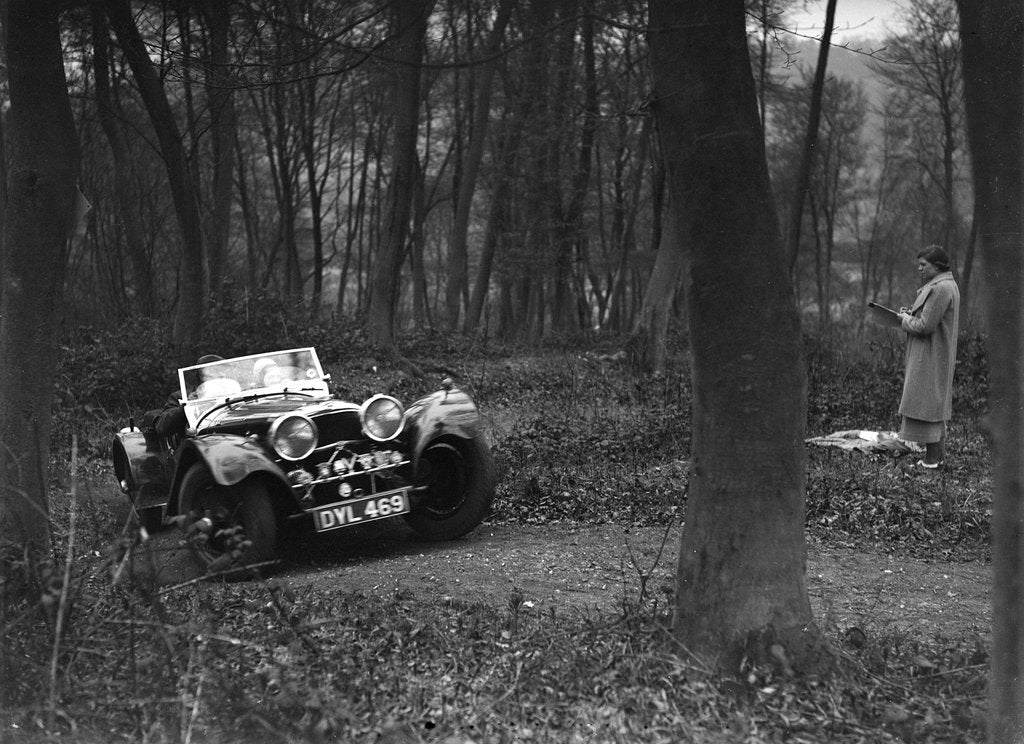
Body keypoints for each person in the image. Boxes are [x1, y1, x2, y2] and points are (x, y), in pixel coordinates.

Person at [896, 246, 960, 469]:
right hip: (935, 354)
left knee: (929, 407)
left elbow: (925, 326)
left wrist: (902, 320)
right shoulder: (945, 285)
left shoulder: (941, 288)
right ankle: (936, 458)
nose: (919, 268)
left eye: (924, 265)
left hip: (931, 355)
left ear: (938, 267)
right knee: (934, 405)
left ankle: (931, 461)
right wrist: (908, 314)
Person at [147, 354, 223, 439]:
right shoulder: (182, 396)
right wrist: (186, 407)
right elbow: (162, 427)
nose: (219, 376)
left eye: (220, 373)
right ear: (200, 376)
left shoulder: (235, 393)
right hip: (197, 443)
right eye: (212, 374)